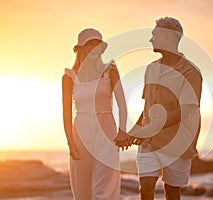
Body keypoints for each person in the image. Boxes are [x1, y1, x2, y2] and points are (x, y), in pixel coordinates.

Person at [127, 17, 203, 200]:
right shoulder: (151, 69)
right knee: (145, 190)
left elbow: (185, 110)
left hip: (177, 142)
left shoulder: (190, 72)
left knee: (172, 193)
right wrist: (134, 131)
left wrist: (149, 128)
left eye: (154, 35)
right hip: (149, 142)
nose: (151, 39)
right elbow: (147, 107)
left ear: (167, 38)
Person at [62, 28, 129, 200]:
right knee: (82, 190)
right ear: (81, 48)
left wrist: (122, 131)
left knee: (104, 190)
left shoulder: (110, 70)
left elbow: (122, 104)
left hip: (106, 132)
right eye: (89, 44)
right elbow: (66, 113)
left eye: (97, 45)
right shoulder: (69, 77)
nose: (94, 48)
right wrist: (70, 142)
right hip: (81, 132)